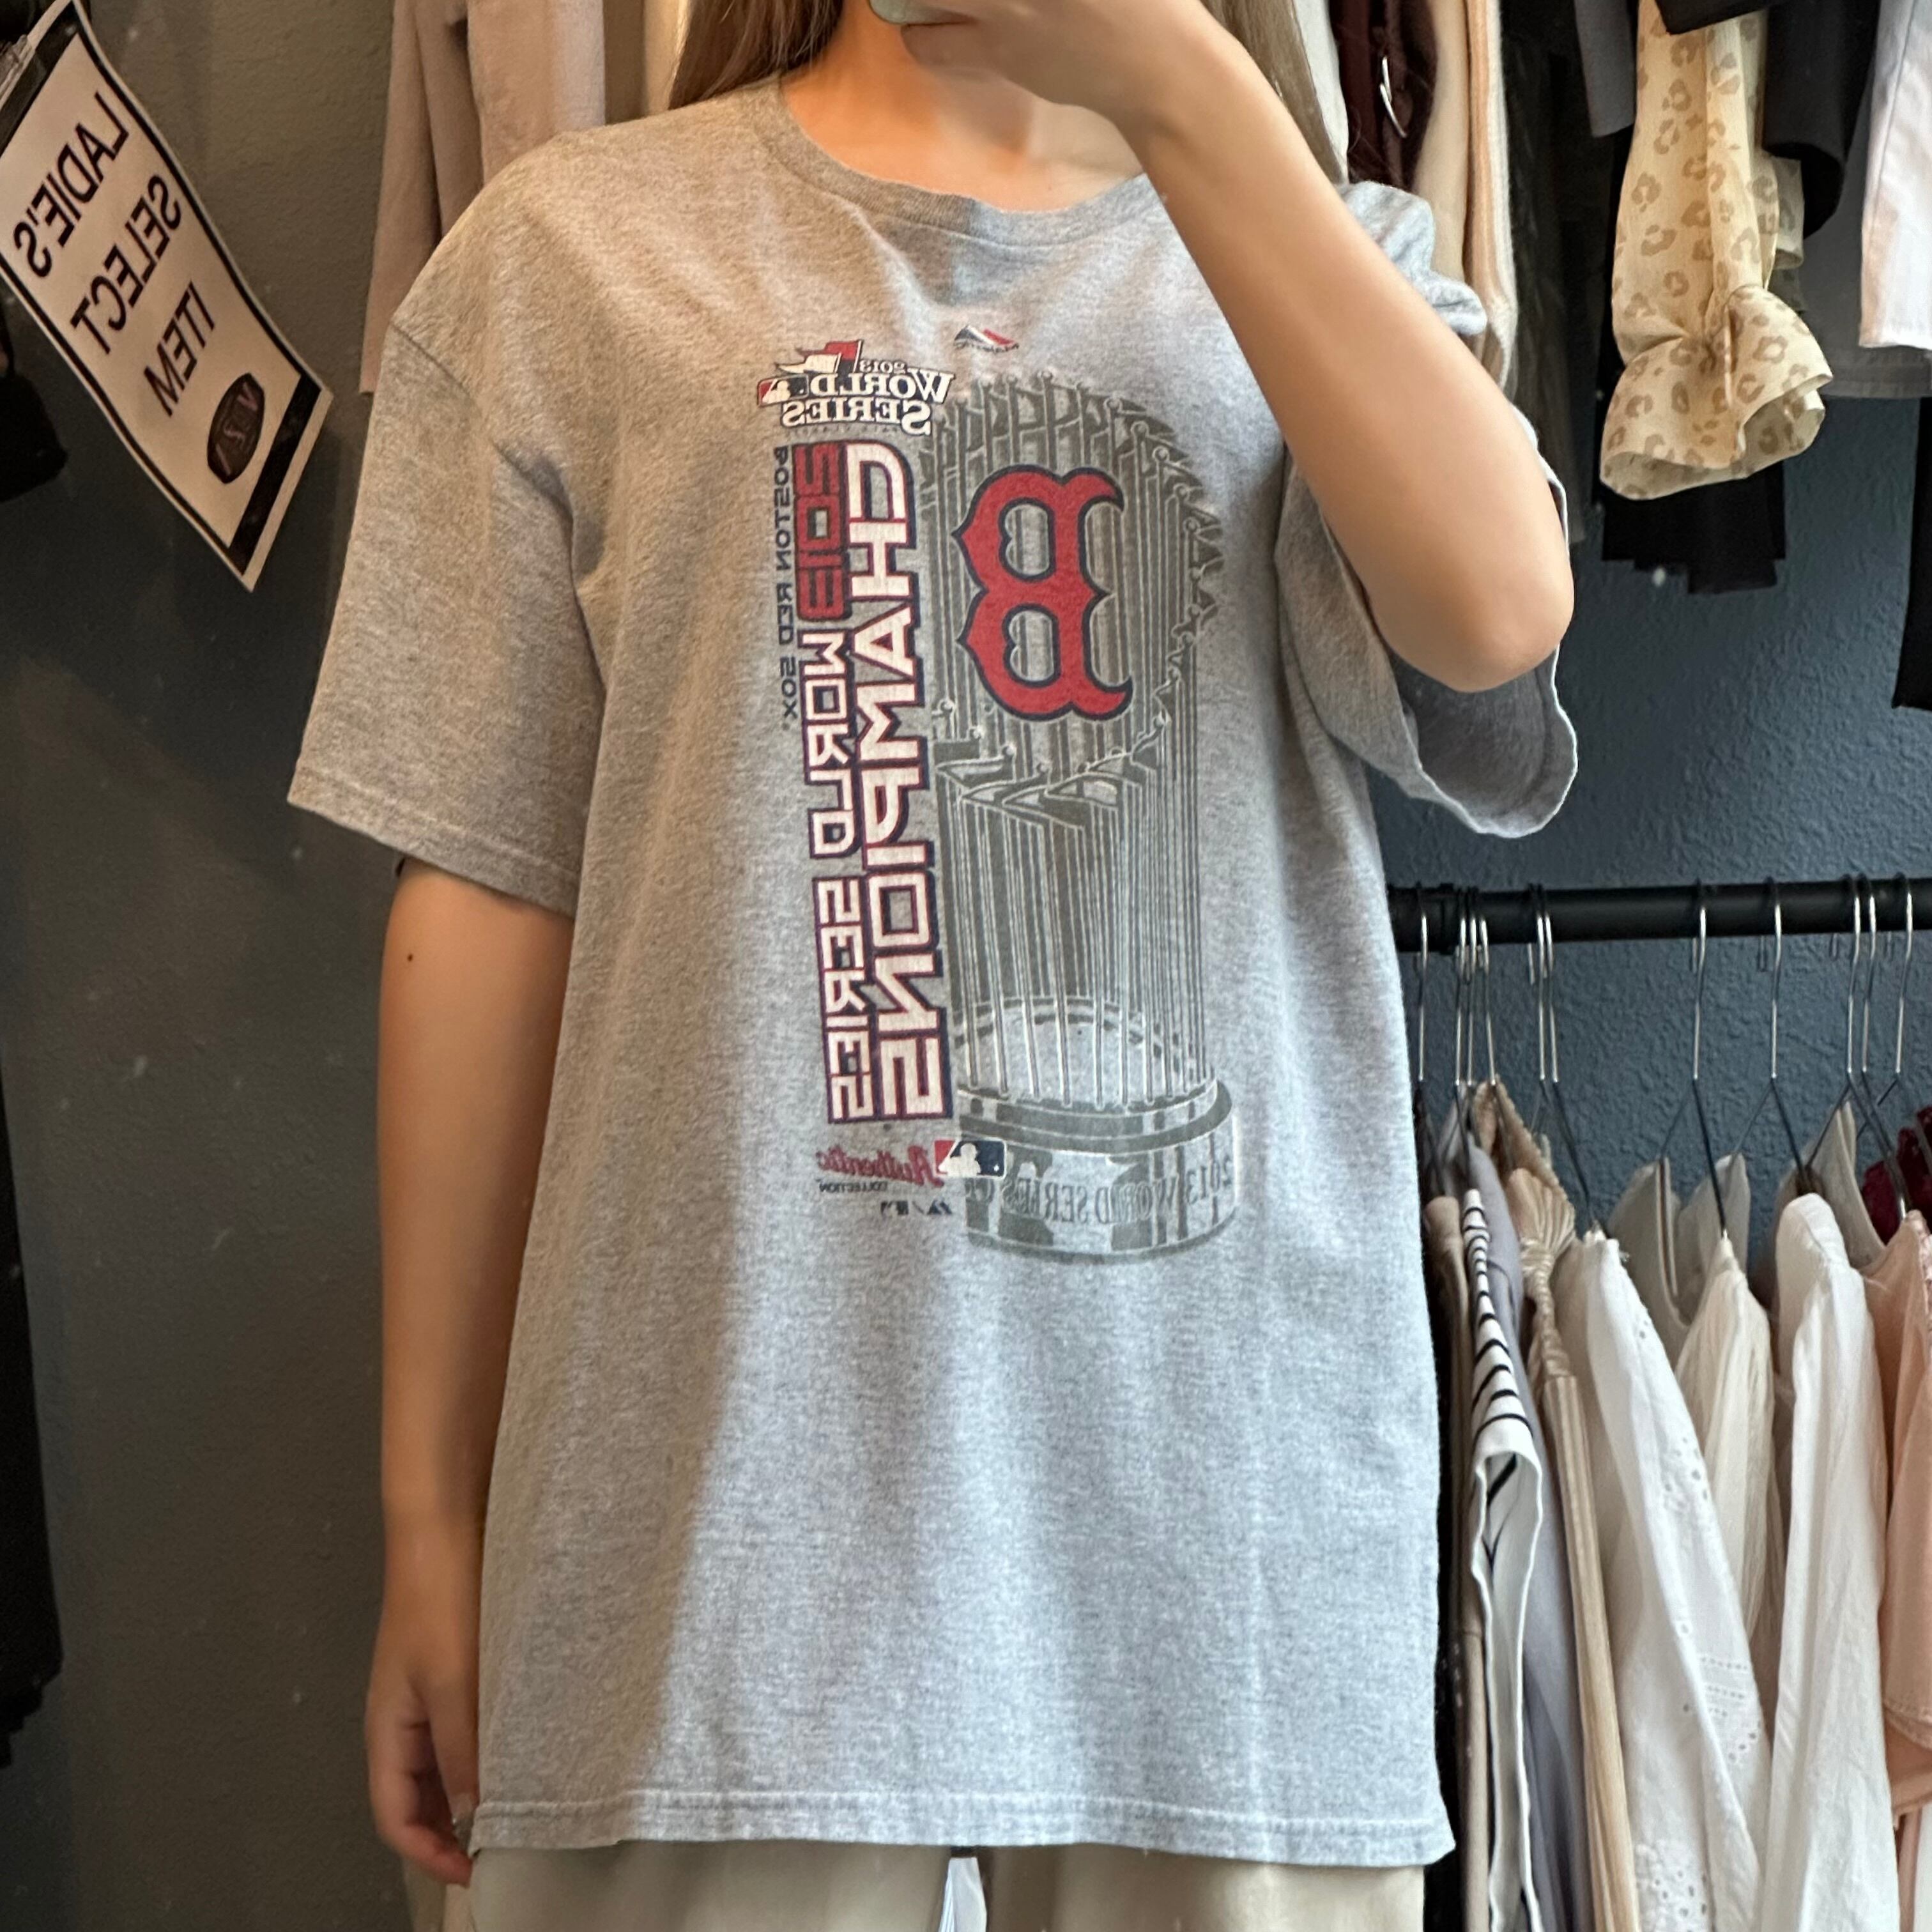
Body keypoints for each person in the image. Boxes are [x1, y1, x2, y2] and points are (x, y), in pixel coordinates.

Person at [289, 0, 1576, 1926]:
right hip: (711, 1556)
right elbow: (484, 898)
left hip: (1221, 1557)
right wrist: (431, 1513)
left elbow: (1493, 614)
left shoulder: (1332, 260)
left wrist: (1177, 79)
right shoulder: (569, 257)